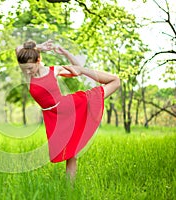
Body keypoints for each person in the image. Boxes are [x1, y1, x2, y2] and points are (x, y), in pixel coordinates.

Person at [15, 39, 120, 180]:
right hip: (53, 118)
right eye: (25, 68)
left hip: (71, 107)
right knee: (69, 154)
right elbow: (18, 48)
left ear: (38, 60)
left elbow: (78, 69)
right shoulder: (28, 74)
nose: (27, 71)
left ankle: (69, 190)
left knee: (115, 81)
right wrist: (38, 47)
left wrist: (65, 52)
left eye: (30, 68)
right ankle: (68, 190)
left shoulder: (54, 70)